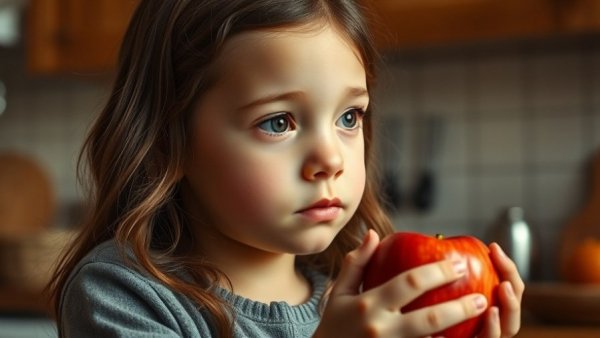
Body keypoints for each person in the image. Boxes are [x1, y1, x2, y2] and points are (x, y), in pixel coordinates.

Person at [48, 0, 524, 337]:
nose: (331, 160)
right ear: (168, 140)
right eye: (278, 122)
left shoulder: (366, 298)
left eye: (349, 118)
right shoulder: (123, 294)